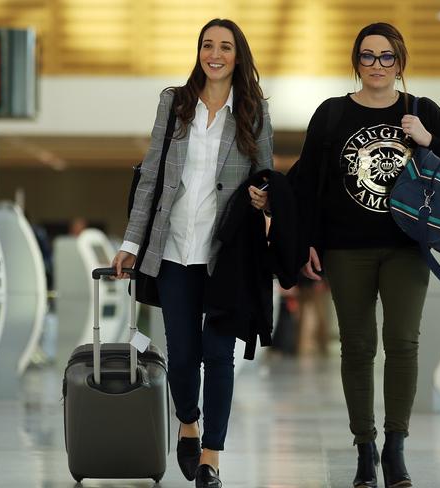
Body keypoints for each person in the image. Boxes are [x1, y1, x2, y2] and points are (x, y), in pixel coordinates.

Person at [290, 22, 440, 488]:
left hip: (406, 247)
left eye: (386, 57)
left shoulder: (421, 110)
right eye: (368, 57)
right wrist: (305, 239)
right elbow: (309, 180)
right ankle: (364, 446)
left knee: (403, 343)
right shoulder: (331, 114)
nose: (377, 65)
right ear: (356, 62)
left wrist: (428, 139)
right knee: (356, 347)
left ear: (400, 63)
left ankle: (395, 447)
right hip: (345, 248)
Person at [111, 18, 272, 488]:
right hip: (175, 249)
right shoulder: (174, 102)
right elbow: (151, 177)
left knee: (219, 357)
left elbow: (265, 175)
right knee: (182, 355)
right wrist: (129, 243)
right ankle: (188, 423)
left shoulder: (254, 111)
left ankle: (210, 460)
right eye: (207, 45)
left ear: (238, 56)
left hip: (226, 256)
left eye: (225, 47)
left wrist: (264, 197)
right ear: (199, 51)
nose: (215, 54)